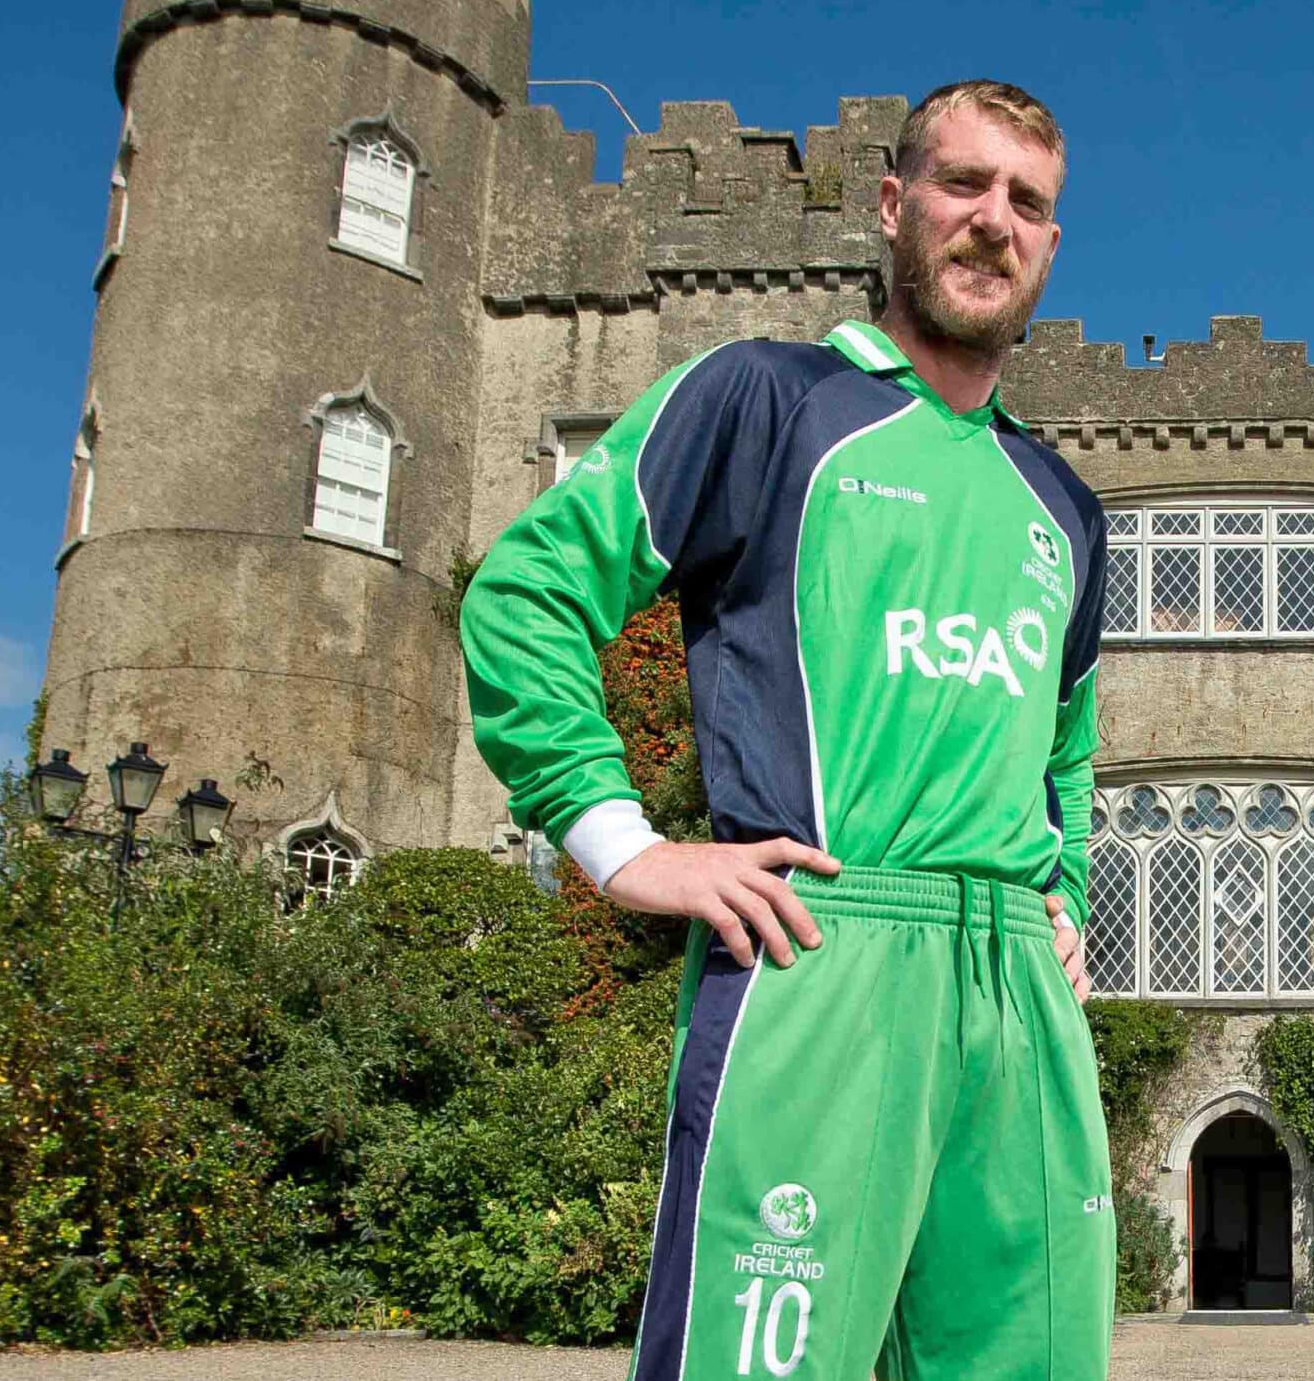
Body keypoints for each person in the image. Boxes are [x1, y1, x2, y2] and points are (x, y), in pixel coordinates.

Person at [461, 80, 1113, 1381]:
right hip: (819, 955)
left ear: (1050, 243)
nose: (993, 221)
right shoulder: (767, 400)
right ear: (893, 206)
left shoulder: (1063, 504)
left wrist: (1064, 901)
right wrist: (622, 846)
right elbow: (526, 593)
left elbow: (1066, 747)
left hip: (1020, 1004)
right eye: (963, 184)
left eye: (1027, 202)